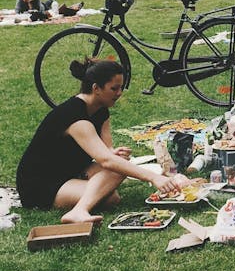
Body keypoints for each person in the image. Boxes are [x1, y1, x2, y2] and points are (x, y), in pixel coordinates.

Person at [17, 59, 190, 223]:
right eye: (114, 88)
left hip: (71, 172)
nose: (119, 93)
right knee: (110, 190)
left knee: (115, 183)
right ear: (96, 88)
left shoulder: (101, 111)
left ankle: (83, 198)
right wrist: (153, 178)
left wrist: (113, 154)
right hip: (40, 184)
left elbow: (108, 154)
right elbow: (106, 160)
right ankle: (78, 211)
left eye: (121, 88)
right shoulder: (76, 117)